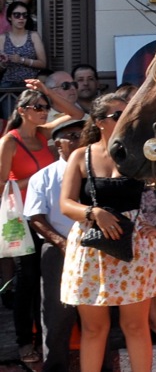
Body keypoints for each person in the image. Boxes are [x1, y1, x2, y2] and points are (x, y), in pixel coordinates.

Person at [59, 91, 156, 372]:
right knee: (93, 328)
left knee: (136, 326)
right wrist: (94, 213)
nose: (127, 119)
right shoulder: (80, 156)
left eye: (128, 114)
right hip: (92, 248)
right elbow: (65, 204)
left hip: (134, 247)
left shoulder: (138, 156)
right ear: (100, 122)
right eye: (118, 115)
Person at [1, 88, 59, 364]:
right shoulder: (9, 142)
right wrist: (36, 178)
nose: (43, 110)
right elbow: (1, 186)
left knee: (48, 277)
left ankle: (47, 337)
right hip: (22, 218)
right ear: (21, 110)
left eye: (45, 106)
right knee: (27, 280)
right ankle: (25, 340)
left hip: (47, 215)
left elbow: (75, 114)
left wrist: (47, 91)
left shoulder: (44, 134)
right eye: (37, 106)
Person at [21, 116, 84, 372]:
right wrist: (60, 242)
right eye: (71, 136)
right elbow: (35, 217)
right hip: (57, 250)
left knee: (99, 313)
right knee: (56, 316)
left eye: (81, 134)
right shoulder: (42, 177)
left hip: (94, 250)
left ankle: (103, 365)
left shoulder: (94, 170)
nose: (78, 139)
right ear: (57, 144)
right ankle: (55, 367)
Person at [1, 1, 47, 92]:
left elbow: (43, 63)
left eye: (24, 15)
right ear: (10, 17)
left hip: (30, 84)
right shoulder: (2, 38)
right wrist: (3, 63)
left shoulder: (33, 36)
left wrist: (22, 60)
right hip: (8, 85)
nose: (21, 18)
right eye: (17, 15)